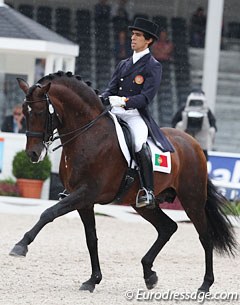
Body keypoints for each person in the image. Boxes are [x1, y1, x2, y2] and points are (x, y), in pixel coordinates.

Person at [100, 18, 174, 209]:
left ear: (148, 40)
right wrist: (102, 98)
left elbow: (146, 98)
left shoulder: (153, 66)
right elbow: (111, 88)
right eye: (133, 34)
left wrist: (123, 101)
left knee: (139, 143)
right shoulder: (124, 63)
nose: (133, 38)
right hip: (115, 112)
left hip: (134, 114)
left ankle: (148, 191)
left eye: (138, 35)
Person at [171, 90, 217, 160]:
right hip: (185, 139)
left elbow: (212, 123)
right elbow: (174, 122)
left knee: (201, 157)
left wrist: (212, 130)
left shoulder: (206, 111)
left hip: (201, 141)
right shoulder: (184, 110)